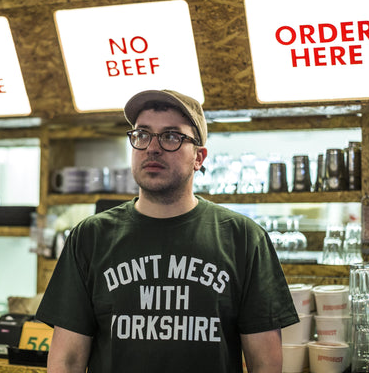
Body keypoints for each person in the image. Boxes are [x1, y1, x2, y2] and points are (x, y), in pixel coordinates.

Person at [36, 89, 299, 372]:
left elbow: (265, 363)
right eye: (142, 135)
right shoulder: (90, 237)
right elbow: (67, 360)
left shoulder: (244, 238)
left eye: (172, 136)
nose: (152, 147)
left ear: (199, 157)